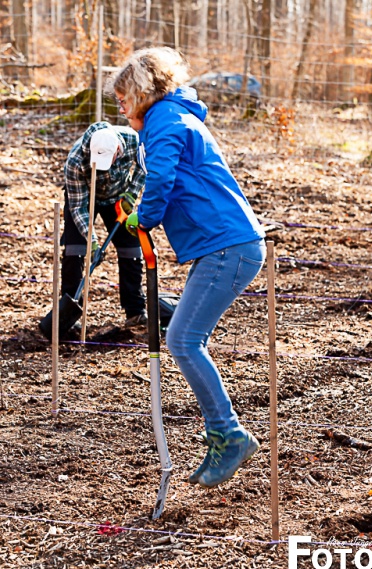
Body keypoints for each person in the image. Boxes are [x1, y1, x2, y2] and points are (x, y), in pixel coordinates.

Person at [109, 47, 266, 489]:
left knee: (182, 339)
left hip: (228, 247)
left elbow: (160, 180)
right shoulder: (172, 118)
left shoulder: (166, 121)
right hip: (225, 245)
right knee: (184, 333)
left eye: (123, 97)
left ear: (142, 91)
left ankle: (228, 434)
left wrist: (145, 216)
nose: (120, 107)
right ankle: (224, 434)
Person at [61, 121, 147, 327]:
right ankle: (69, 316)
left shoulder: (133, 140)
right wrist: (91, 241)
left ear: (118, 149)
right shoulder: (75, 161)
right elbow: (78, 208)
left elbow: (145, 166)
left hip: (118, 197)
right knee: (75, 250)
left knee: (132, 251)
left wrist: (132, 195)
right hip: (84, 198)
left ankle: (135, 311)